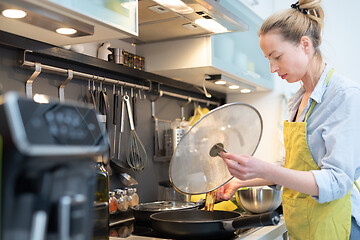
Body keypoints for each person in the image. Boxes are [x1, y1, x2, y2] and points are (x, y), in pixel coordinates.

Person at [216, 1, 360, 239]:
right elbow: (290, 167)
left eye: (277, 57)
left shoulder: (345, 96)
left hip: (336, 226)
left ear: (305, 45)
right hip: (304, 226)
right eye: (268, 59)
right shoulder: (298, 100)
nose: (272, 68)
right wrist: (241, 181)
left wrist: (262, 168)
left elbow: (336, 182)